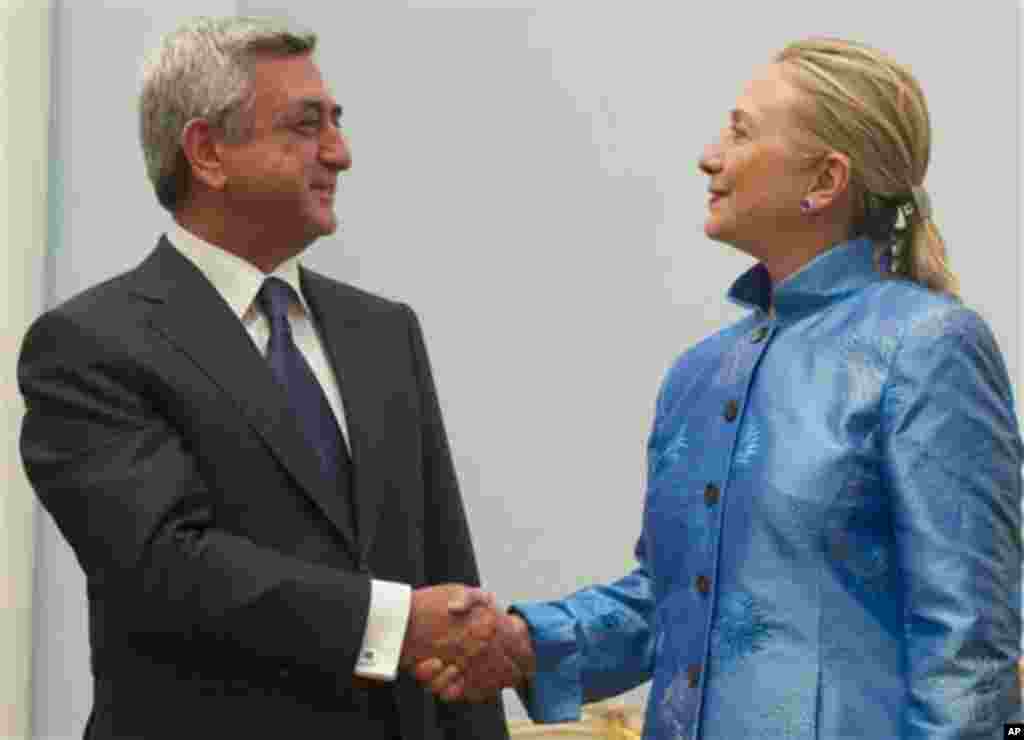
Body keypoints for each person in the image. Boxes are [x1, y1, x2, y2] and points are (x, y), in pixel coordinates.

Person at [417, 37, 1024, 737]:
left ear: (825, 181)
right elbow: (669, 603)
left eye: (740, 132)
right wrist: (523, 640)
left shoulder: (928, 347)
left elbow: (969, 648)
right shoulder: (699, 373)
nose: (710, 157)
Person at [18, 16, 507, 740]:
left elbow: (446, 577)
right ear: (208, 153)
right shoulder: (91, 345)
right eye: (306, 126)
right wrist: (396, 626)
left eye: (336, 122)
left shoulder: (384, 333)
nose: (340, 154)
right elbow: (165, 568)